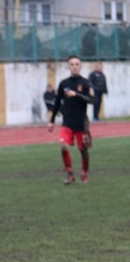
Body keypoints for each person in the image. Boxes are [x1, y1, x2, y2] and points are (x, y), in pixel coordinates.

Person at [48, 55, 93, 184]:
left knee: (83, 150)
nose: (74, 66)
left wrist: (77, 94)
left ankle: (84, 174)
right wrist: (51, 121)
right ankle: (70, 174)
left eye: (76, 64)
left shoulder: (86, 83)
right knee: (63, 146)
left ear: (80, 66)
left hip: (81, 123)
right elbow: (57, 103)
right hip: (67, 122)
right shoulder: (63, 84)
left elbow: (91, 100)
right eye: (72, 64)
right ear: (68, 67)